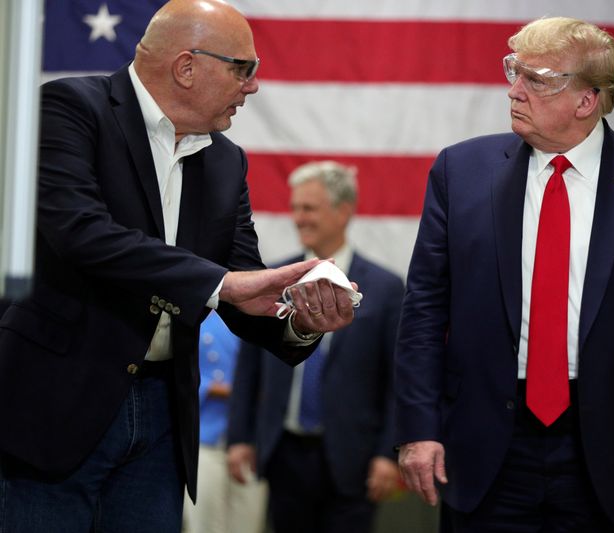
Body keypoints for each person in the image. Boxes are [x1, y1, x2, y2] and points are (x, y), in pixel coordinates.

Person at [0, 1, 355, 532]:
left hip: (164, 419)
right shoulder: (70, 107)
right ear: (186, 67)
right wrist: (224, 283)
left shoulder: (226, 159)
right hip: (58, 406)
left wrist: (302, 321)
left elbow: (241, 285)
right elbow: (82, 233)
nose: (253, 86)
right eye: (243, 68)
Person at [394, 16, 614, 533]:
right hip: (483, 446)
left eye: (536, 79)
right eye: (513, 72)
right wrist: (417, 428)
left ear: (586, 100)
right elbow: (424, 311)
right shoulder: (460, 171)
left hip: (608, 455)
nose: (514, 91)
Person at [227, 161, 405, 533]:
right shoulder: (272, 279)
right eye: (295, 208)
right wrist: (240, 438)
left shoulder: (386, 289)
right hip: (283, 452)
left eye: (309, 208)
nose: (298, 217)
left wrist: (390, 453)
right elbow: (249, 365)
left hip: (353, 457)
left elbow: (397, 381)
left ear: (343, 211)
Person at [182, 311, 267, 533]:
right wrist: (223, 390)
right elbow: (181, 378)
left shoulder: (259, 317)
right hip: (205, 438)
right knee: (204, 525)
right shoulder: (193, 314)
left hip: (252, 442)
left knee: (247, 524)